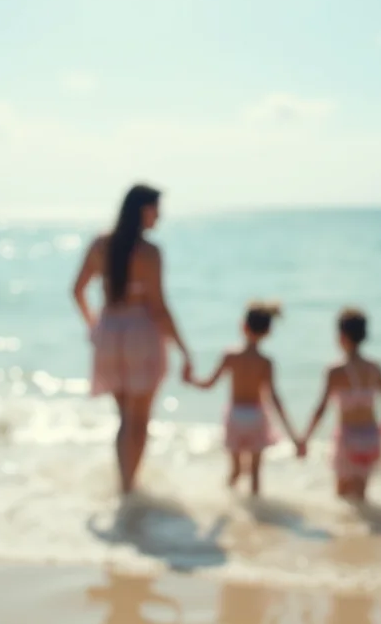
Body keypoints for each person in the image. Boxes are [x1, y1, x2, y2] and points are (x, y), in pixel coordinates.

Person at [72, 184, 192, 494]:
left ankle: (124, 485)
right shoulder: (149, 252)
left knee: (124, 418)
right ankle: (129, 488)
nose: (160, 217)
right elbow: (159, 307)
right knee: (138, 420)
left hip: (109, 333)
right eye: (156, 209)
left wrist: (94, 326)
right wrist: (183, 349)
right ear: (143, 210)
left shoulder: (101, 244)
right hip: (141, 333)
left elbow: (78, 290)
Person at [183, 302, 303, 496]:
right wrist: (294, 436)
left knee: (236, 469)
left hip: (235, 416)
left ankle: (226, 502)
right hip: (256, 416)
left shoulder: (231, 355)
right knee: (255, 473)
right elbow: (275, 399)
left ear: (243, 326)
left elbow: (208, 384)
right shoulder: (266, 362)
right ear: (267, 332)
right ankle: (256, 513)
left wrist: (190, 380)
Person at [302, 308, 381, 500]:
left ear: (341, 336)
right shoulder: (374, 368)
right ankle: (363, 529)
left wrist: (306, 438)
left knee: (342, 492)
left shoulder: (336, 371)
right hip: (371, 436)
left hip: (348, 438)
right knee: (361, 493)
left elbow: (321, 408)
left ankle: (346, 528)